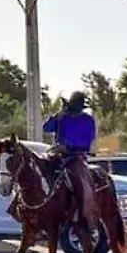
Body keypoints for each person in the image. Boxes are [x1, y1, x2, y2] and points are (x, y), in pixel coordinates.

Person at [42, 92, 99, 236]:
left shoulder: (88, 120)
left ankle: (87, 220)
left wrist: (68, 146)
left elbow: (87, 140)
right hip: (56, 155)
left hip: (76, 156)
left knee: (82, 184)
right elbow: (46, 128)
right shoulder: (62, 118)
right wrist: (56, 116)